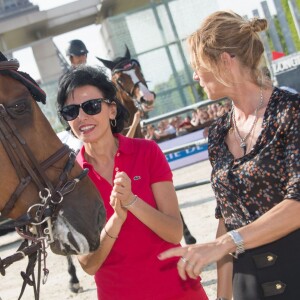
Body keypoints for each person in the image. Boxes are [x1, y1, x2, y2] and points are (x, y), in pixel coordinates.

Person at [158, 10, 300, 300]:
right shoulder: (219, 132)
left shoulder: (291, 112)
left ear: (225, 61)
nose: (195, 76)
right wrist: (223, 296)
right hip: (247, 285)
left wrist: (227, 242)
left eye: (198, 66)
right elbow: (227, 216)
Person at [56, 65, 208, 300]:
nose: (82, 117)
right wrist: (116, 220)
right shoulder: (68, 180)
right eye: (71, 111)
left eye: (91, 106)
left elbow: (174, 231)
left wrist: (132, 202)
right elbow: (88, 264)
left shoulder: (147, 152)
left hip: (178, 290)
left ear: (112, 110)